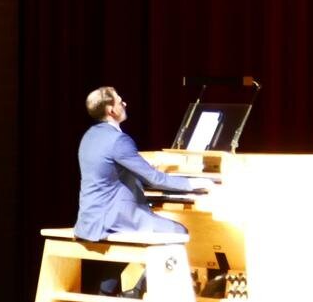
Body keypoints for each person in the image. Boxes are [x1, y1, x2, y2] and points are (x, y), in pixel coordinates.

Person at [75, 86, 211, 243]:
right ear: (111, 110)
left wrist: (146, 166)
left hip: (89, 220)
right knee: (179, 231)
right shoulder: (119, 140)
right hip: (113, 219)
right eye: (120, 101)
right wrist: (196, 183)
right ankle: (159, 268)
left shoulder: (89, 136)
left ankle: (152, 268)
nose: (124, 103)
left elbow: (110, 168)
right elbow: (154, 179)